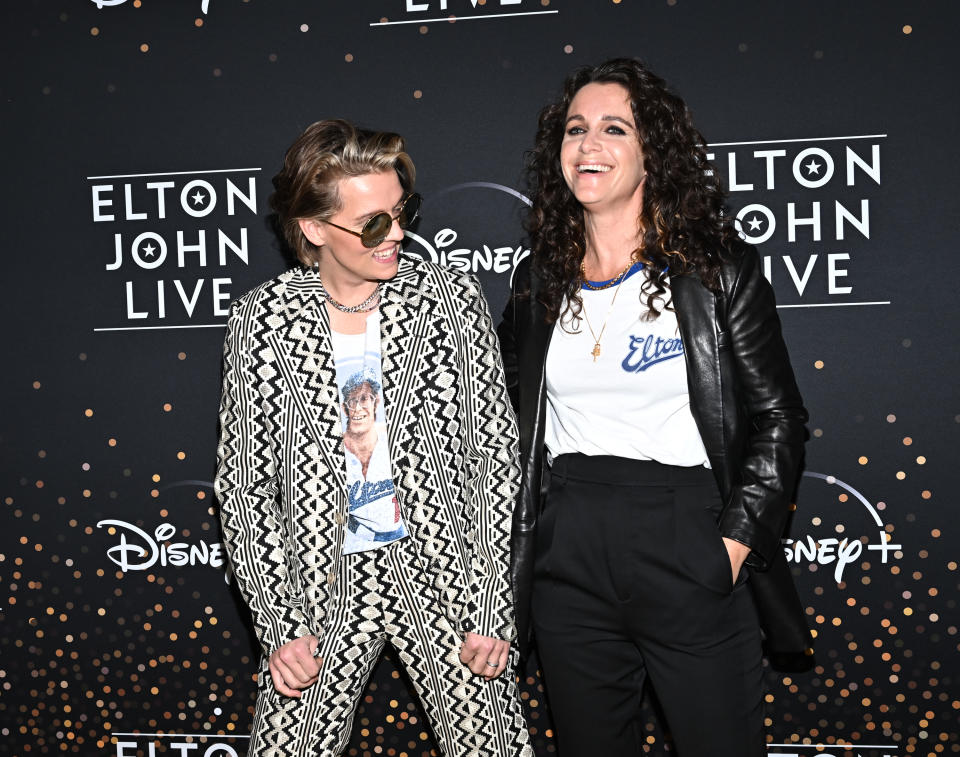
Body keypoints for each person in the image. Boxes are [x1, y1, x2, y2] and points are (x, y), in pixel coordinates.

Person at [497, 59, 812, 757]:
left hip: (685, 532)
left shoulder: (716, 270)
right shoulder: (536, 282)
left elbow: (779, 419)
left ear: (652, 154)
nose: (589, 145)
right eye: (575, 129)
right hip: (570, 547)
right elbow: (505, 425)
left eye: (614, 128)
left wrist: (728, 549)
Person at [215, 119, 532, 757]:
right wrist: (280, 623)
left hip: (448, 574)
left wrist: (492, 607)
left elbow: (494, 454)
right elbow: (245, 485)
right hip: (316, 582)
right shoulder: (261, 322)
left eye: (400, 211)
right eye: (371, 224)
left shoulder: (448, 299)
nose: (396, 236)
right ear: (312, 229)